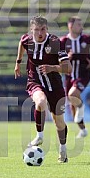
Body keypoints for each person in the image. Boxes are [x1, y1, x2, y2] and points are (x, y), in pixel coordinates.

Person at [14, 15, 72, 163]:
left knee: (59, 122)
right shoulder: (26, 40)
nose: (40, 33)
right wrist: (18, 62)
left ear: (47, 29)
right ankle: (39, 135)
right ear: (31, 30)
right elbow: (21, 43)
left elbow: (68, 68)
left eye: (43, 29)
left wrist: (52, 67)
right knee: (40, 102)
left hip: (55, 86)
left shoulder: (54, 43)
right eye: (37, 30)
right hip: (35, 81)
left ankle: (63, 150)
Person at [60, 16, 90, 138]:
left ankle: (82, 107)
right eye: (78, 25)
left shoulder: (86, 39)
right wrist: (67, 58)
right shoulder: (63, 41)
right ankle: (83, 130)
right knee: (72, 104)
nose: (81, 27)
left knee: (72, 95)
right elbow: (57, 59)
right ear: (70, 26)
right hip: (69, 76)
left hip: (83, 74)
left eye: (81, 25)